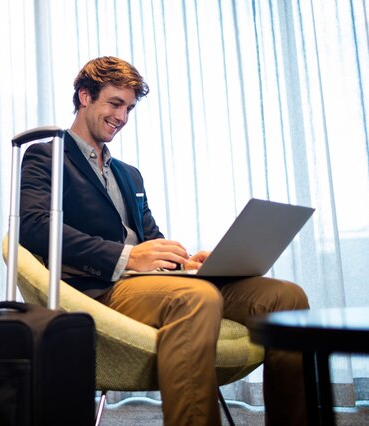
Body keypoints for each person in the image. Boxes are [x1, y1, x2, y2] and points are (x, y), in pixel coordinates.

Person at [19, 56, 309, 426]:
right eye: (115, 103)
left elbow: (150, 237)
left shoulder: (129, 175)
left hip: (151, 284)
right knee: (196, 297)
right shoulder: (46, 156)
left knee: (285, 296)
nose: (122, 117)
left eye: (129, 108)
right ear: (85, 96)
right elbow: (34, 226)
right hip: (99, 290)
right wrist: (127, 258)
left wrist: (186, 263)